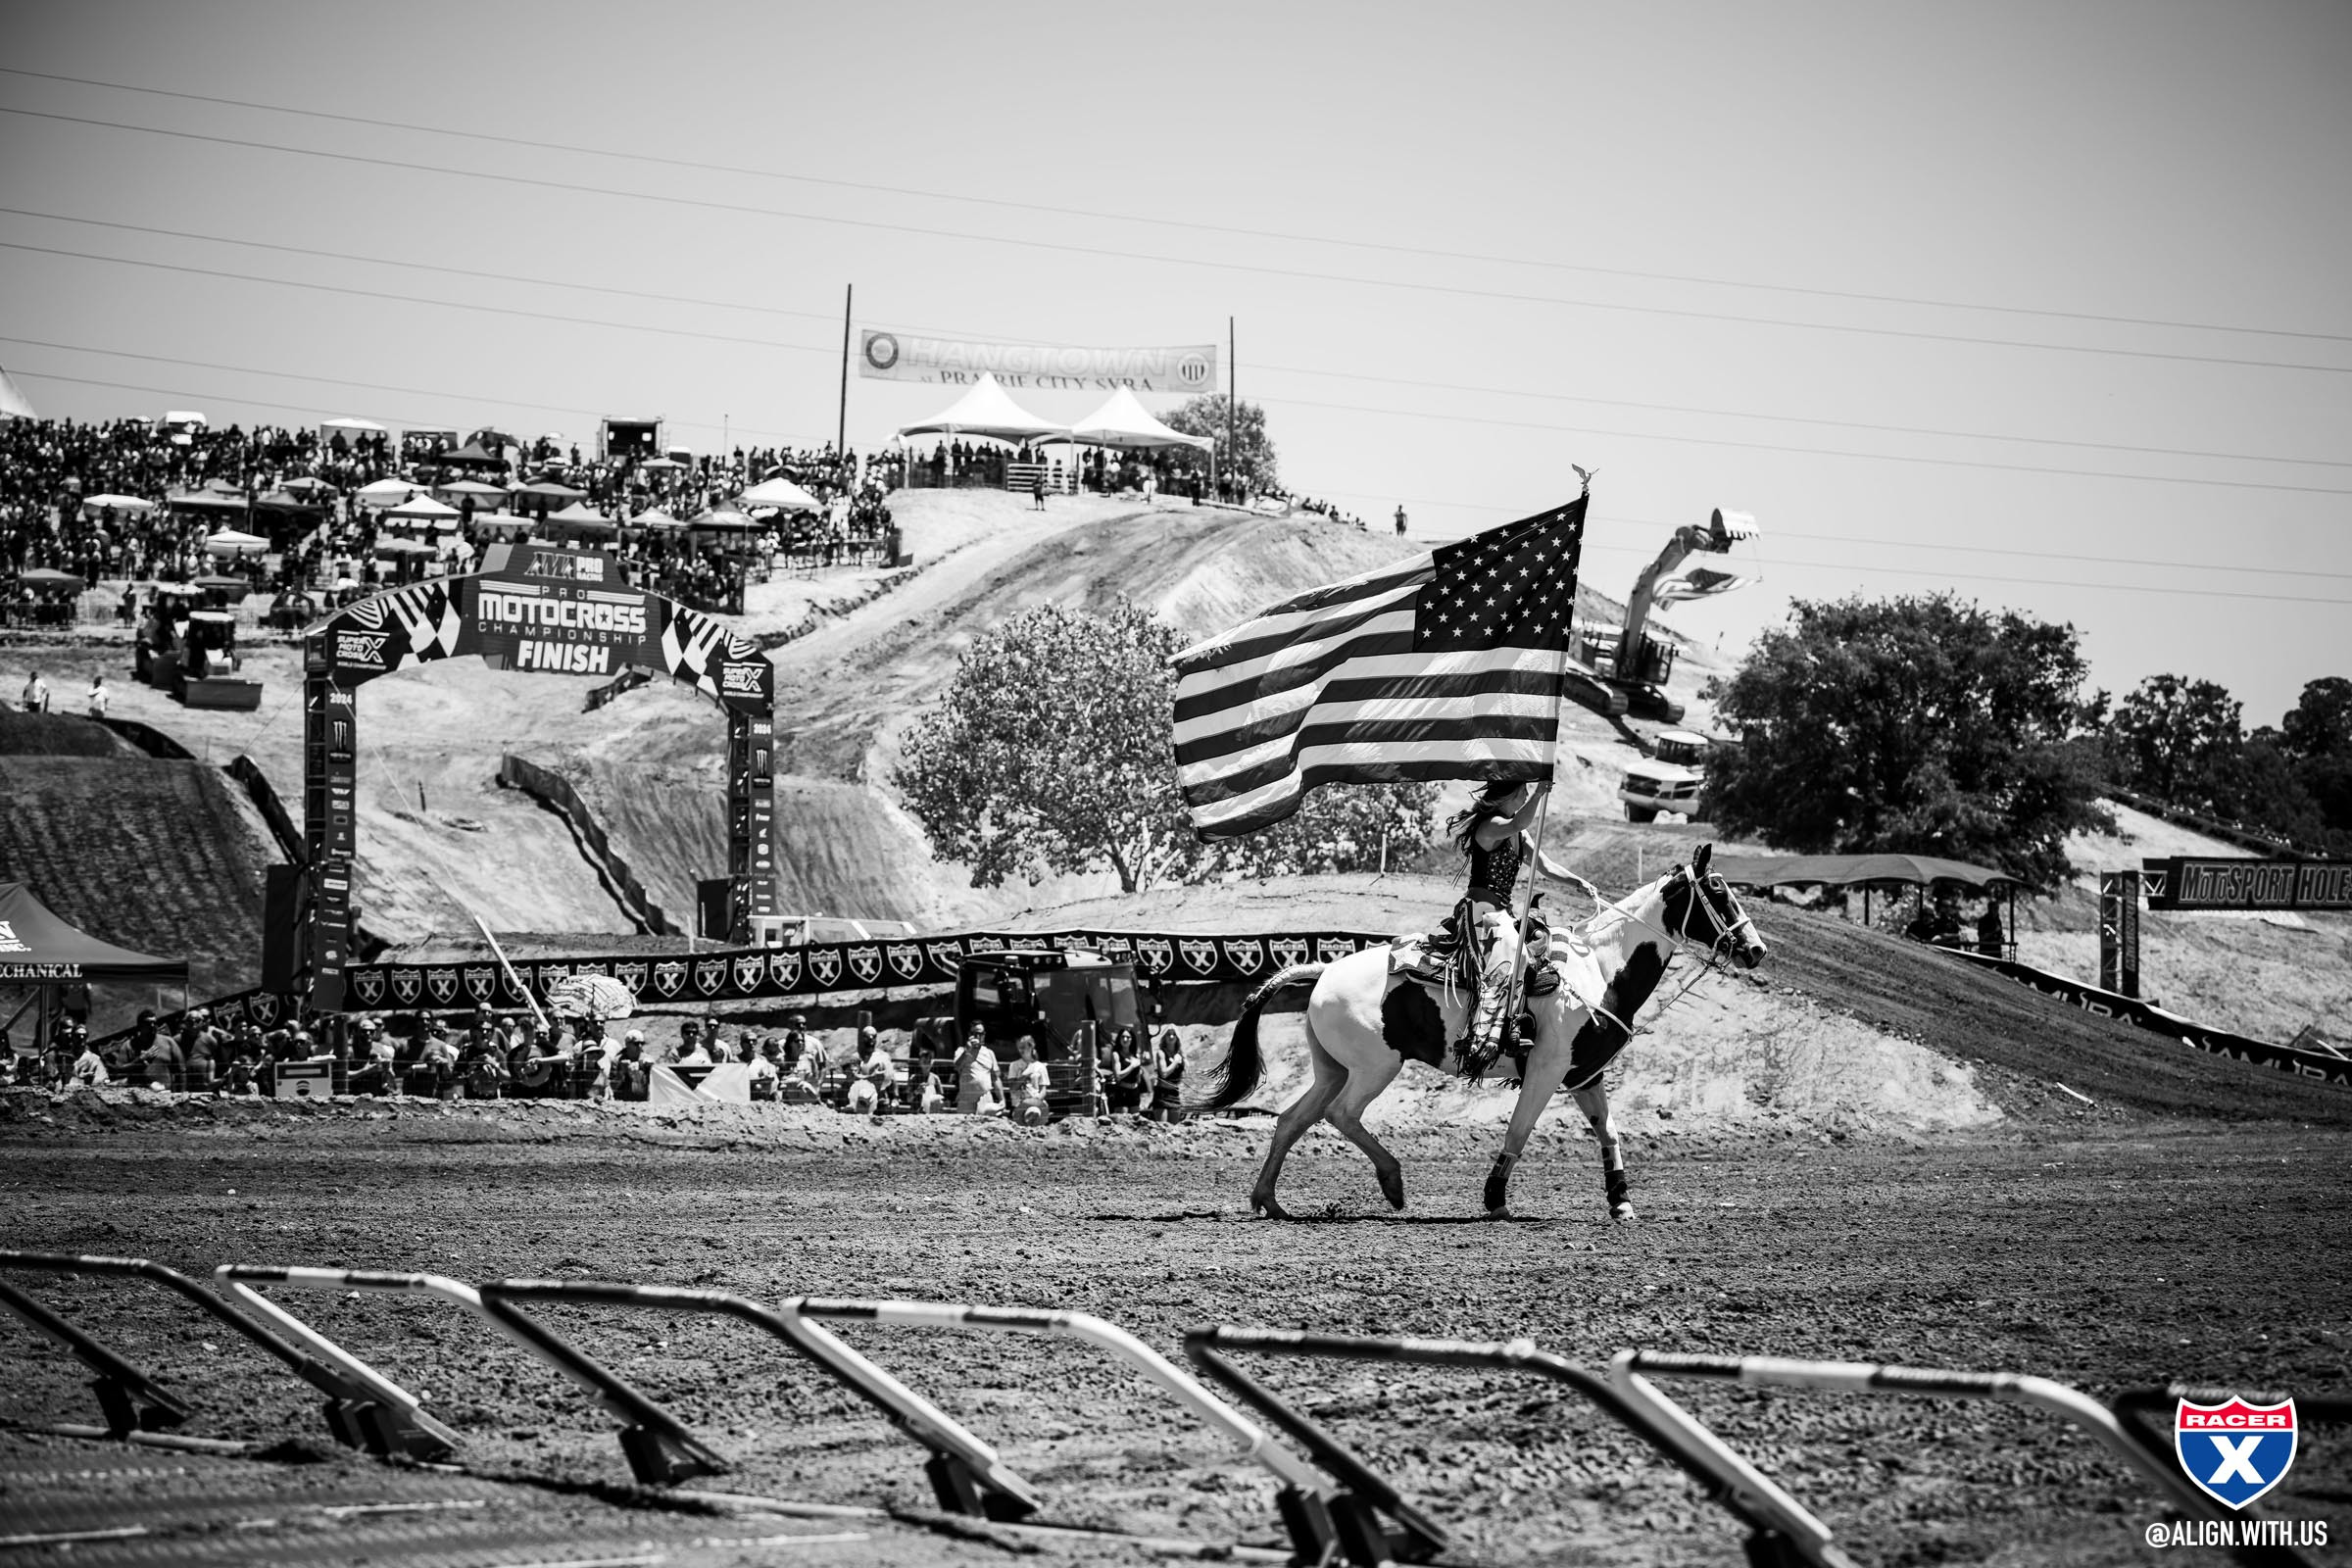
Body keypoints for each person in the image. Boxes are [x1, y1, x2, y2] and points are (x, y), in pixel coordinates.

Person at [1432, 779, 1557, 1074]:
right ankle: (1485, 1035)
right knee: (1515, 955)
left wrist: (1580, 884)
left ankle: (1517, 1020)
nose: (1525, 794)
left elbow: (1546, 866)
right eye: (1523, 791)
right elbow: (1520, 821)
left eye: (1528, 791)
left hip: (1503, 913)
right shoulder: (1491, 826)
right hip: (1481, 911)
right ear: (1508, 796)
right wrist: (1540, 794)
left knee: (1539, 947)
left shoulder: (1520, 835)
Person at [953, 1024, 1000, 1115]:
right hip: (966, 1099)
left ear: (984, 1035)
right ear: (969, 1035)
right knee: (964, 1123)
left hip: (985, 1099)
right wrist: (967, 1051)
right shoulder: (961, 1051)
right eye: (974, 1034)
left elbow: (996, 1078)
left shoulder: (989, 1053)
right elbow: (956, 1066)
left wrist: (1002, 1100)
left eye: (980, 1034)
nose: (977, 1036)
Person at [1005, 1035, 1051, 1126]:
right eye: (1019, 1047)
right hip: (1019, 1105)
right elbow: (1013, 1088)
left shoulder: (1040, 1066)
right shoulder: (1014, 1065)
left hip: (1036, 1104)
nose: (1020, 1050)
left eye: (1023, 1047)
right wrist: (1024, 1075)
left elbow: (1043, 1089)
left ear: (1031, 1047)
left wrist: (1037, 1100)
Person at [847, 1027, 893, 1113]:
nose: (871, 1039)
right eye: (867, 1037)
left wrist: (896, 1097)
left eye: (873, 1036)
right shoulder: (856, 1057)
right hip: (863, 1098)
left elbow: (892, 1077)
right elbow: (852, 1076)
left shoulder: (884, 1056)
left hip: (882, 1097)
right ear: (863, 1038)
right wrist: (870, 1077)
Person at [1103, 1026, 1147, 1114]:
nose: (1125, 1039)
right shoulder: (1116, 1055)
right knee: (1123, 1119)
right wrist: (1132, 1066)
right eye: (1123, 1037)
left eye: (1128, 1037)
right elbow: (1118, 1076)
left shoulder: (1135, 1056)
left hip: (1135, 1093)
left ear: (1132, 1039)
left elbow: (1139, 1078)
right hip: (1122, 1092)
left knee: (1135, 1120)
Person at [1149, 1028, 1187, 1122]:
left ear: (1177, 1037)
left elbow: (1182, 1075)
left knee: (1174, 1128)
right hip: (1162, 1094)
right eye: (1168, 1034)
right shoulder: (1161, 1053)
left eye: (1174, 1034)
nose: (1171, 1036)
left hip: (1174, 1093)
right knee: (1163, 1127)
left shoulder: (1180, 1054)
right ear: (1164, 1037)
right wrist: (1175, 1062)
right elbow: (1164, 1073)